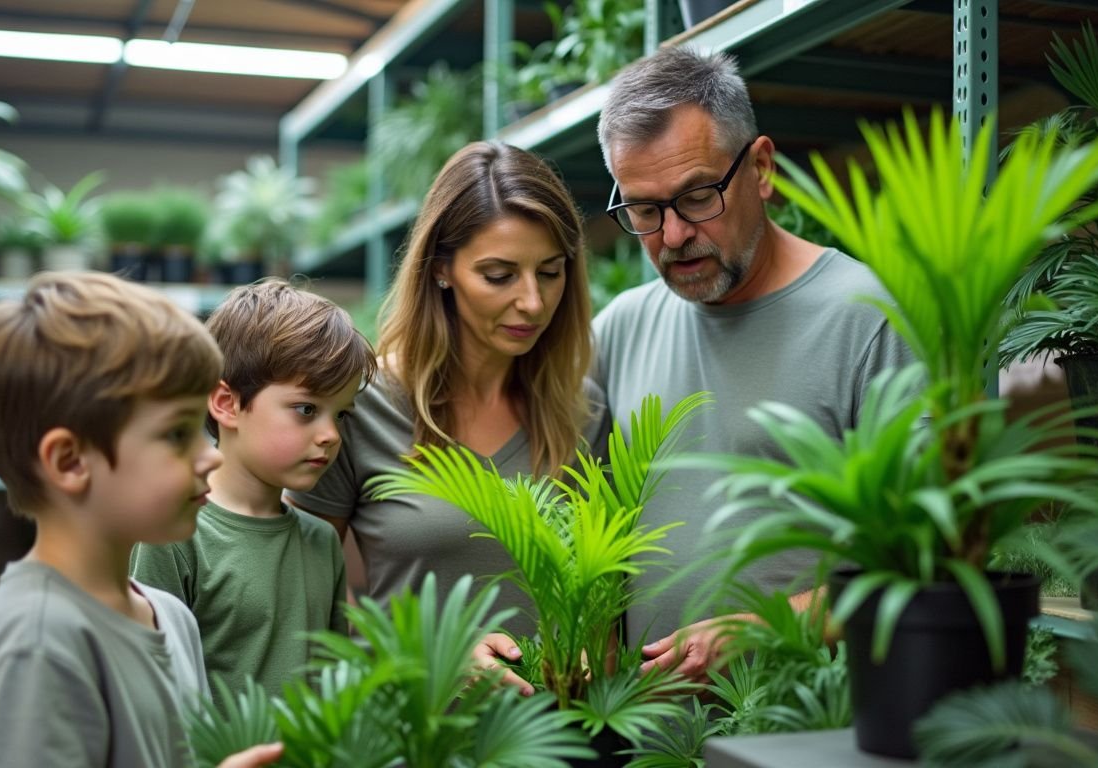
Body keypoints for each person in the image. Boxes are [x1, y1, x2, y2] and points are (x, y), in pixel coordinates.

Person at [593, 46, 916, 683]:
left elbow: (923, 564)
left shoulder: (867, 320)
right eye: (645, 210)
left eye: (697, 196)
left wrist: (771, 626)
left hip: (803, 737)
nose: (675, 235)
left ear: (761, 168)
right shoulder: (619, 329)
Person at [286, 141, 610, 692]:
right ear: (441, 270)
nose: (532, 302)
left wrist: (591, 651)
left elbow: (604, 600)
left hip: (561, 742)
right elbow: (303, 600)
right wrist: (429, 659)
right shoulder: (359, 407)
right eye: (499, 275)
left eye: (550, 272)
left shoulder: (583, 413)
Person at [0, 271, 282, 768]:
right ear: (69, 461)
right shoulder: (38, 645)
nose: (210, 456)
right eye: (176, 434)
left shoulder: (172, 617)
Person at [131, 279, 376, 699]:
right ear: (226, 404)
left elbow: (334, 688)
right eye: (307, 409)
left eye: (341, 415)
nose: (331, 435)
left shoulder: (321, 541)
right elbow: (145, 687)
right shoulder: (171, 535)